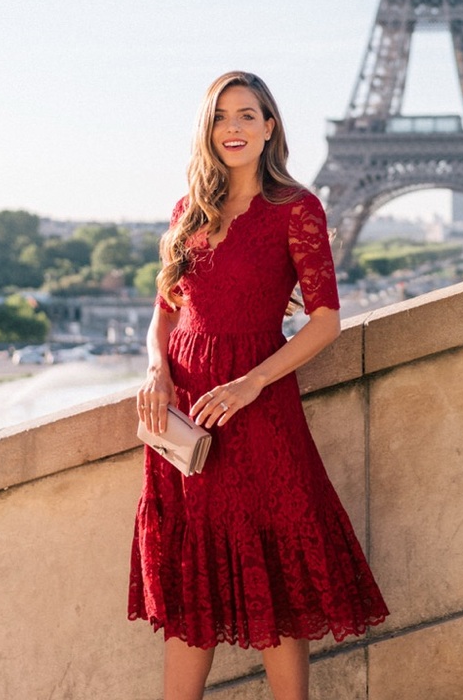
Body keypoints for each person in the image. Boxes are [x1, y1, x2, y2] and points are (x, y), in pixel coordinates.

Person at [128, 71, 388, 700]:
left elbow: (325, 319)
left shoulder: (296, 209)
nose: (234, 128)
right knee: (194, 579)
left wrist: (251, 383)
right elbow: (166, 309)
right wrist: (156, 369)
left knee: (274, 573)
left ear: (270, 127)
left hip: (257, 408)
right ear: (207, 129)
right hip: (184, 410)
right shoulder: (189, 210)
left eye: (248, 115)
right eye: (221, 117)